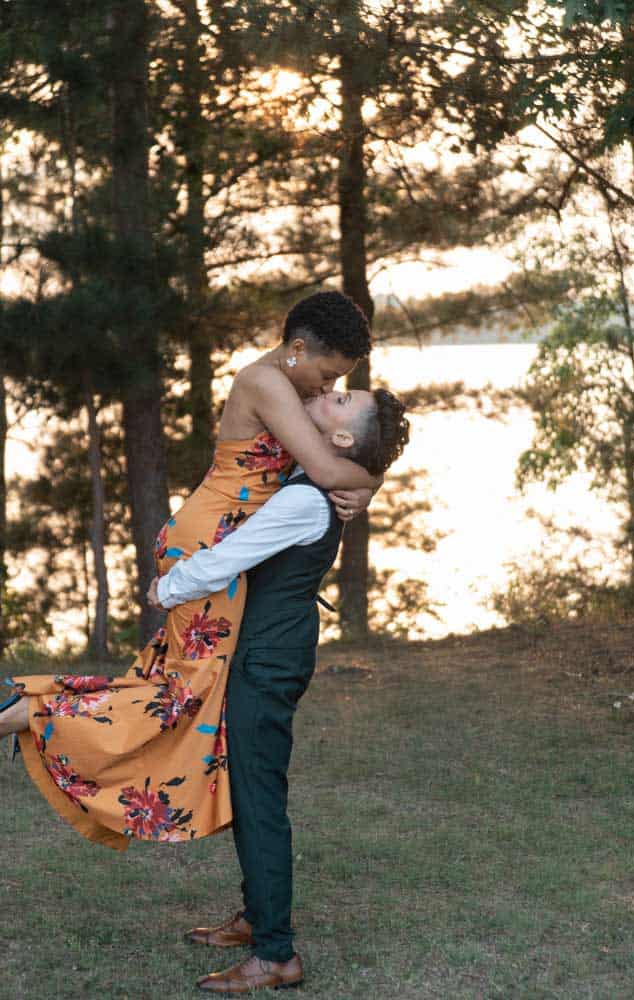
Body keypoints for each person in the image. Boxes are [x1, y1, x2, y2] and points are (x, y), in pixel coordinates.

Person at [0, 291, 379, 851]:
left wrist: (367, 483)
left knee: (175, 686)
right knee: (180, 693)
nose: (328, 389)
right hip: (209, 548)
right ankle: (26, 711)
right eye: (330, 374)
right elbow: (326, 466)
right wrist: (368, 485)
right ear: (298, 349)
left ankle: (26, 701)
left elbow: (331, 458)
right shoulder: (267, 382)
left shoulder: (290, 390)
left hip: (220, 548)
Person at [147, 385, 410, 994]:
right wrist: (369, 483)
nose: (329, 393)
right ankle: (256, 918)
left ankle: (275, 954)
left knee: (260, 799)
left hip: (267, 658)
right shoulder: (311, 478)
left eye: (344, 401)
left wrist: (170, 588)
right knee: (251, 790)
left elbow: (232, 556)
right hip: (270, 651)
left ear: (340, 439)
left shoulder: (306, 501)